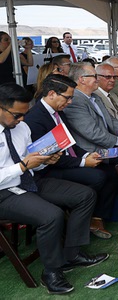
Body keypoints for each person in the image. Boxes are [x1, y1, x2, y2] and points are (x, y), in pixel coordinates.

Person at [0, 83, 108, 294]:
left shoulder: (21, 127)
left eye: (24, 114)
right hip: (4, 191)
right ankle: (51, 271)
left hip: (29, 180)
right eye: (16, 115)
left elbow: (31, 160)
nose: (21, 119)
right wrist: (22, 166)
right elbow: (22, 164)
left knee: (85, 195)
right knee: (51, 215)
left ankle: (71, 254)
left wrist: (45, 160)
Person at [24, 74, 118, 240]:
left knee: (111, 171)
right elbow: (48, 158)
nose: (70, 102)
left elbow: (70, 144)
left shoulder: (57, 112)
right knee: (98, 176)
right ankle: (80, 214)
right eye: (67, 98)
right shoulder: (35, 119)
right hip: (48, 171)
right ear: (52, 93)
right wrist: (83, 162)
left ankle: (97, 217)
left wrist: (87, 155)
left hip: (65, 161)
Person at [62, 63, 118, 167]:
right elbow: (92, 132)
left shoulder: (95, 97)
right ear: (82, 79)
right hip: (93, 151)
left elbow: (111, 120)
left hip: (106, 145)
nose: (97, 79)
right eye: (94, 76)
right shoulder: (75, 101)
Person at [93, 63, 118, 129]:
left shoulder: (113, 95)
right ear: (97, 78)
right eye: (108, 77)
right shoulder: (95, 97)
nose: (112, 80)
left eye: (114, 77)